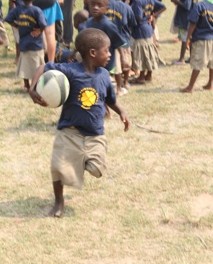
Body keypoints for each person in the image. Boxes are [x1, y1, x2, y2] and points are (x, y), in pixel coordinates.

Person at [29, 28, 130, 217]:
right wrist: (32, 89)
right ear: (93, 53)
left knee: (97, 169)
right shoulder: (70, 71)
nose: (109, 55)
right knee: (57, 168)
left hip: (95, 133)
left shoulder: (103, 75)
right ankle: (59, 203)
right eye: (106, 51)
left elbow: (109, 99)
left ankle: (81, 161)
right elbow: (43, 67)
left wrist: (121, 111)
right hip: (69, 130)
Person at [5, 0, 47, 90]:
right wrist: (39, 30)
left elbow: (8, 19)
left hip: (24, 43)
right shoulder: (37, 10)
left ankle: (26, 85)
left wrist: (17, 25)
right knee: (37, 66)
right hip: (36, 44)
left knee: (24, 66)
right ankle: (35, 85)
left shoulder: (17, 10)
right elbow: (43, 24)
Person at [180, 0, 213, 93]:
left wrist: (187, 39)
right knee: (212, 62)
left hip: (202, 38)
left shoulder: (199, 6)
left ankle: (190, 87)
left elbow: (193, 23)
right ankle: (210, 83)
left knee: (198, 62)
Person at [131, 0, 166, 84]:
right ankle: (149, 74)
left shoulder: (137, 2)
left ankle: (141, 77)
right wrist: (153, 15)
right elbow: (163, 7)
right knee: (149, 53)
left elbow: (138, 18)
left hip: (140, 30)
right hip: (148, 28)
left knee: (142, 55)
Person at [106, 0, 137, 95]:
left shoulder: (102, 5)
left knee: (115, 65)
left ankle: (116, 85)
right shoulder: (126, 7)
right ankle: (125, 83)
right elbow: (132, 23)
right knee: (126, 63)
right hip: (123, 39)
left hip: (107, 40)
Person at [171, 0, 193, 65]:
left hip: (185, 19)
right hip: (184, 19)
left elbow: (187, 6)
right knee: (188, 39)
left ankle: (181, 59)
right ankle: (191, 58)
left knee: (185, 39)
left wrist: (177, 1)